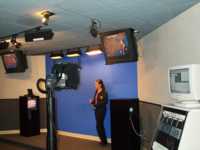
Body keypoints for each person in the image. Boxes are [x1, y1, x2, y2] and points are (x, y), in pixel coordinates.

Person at [90, 79, 108, 145]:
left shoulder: (104, 92)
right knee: (100, 126)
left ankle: (103, 141)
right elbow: (95, 99)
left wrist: (95, 105)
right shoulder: (97, 91)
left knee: (99, 126)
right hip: (96, 110)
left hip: (102, 111)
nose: (95, 85)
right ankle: (103, 141)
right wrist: (92, 101)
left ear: (100, 84)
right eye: (95, 84)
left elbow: (105, 102)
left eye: (96, 84)